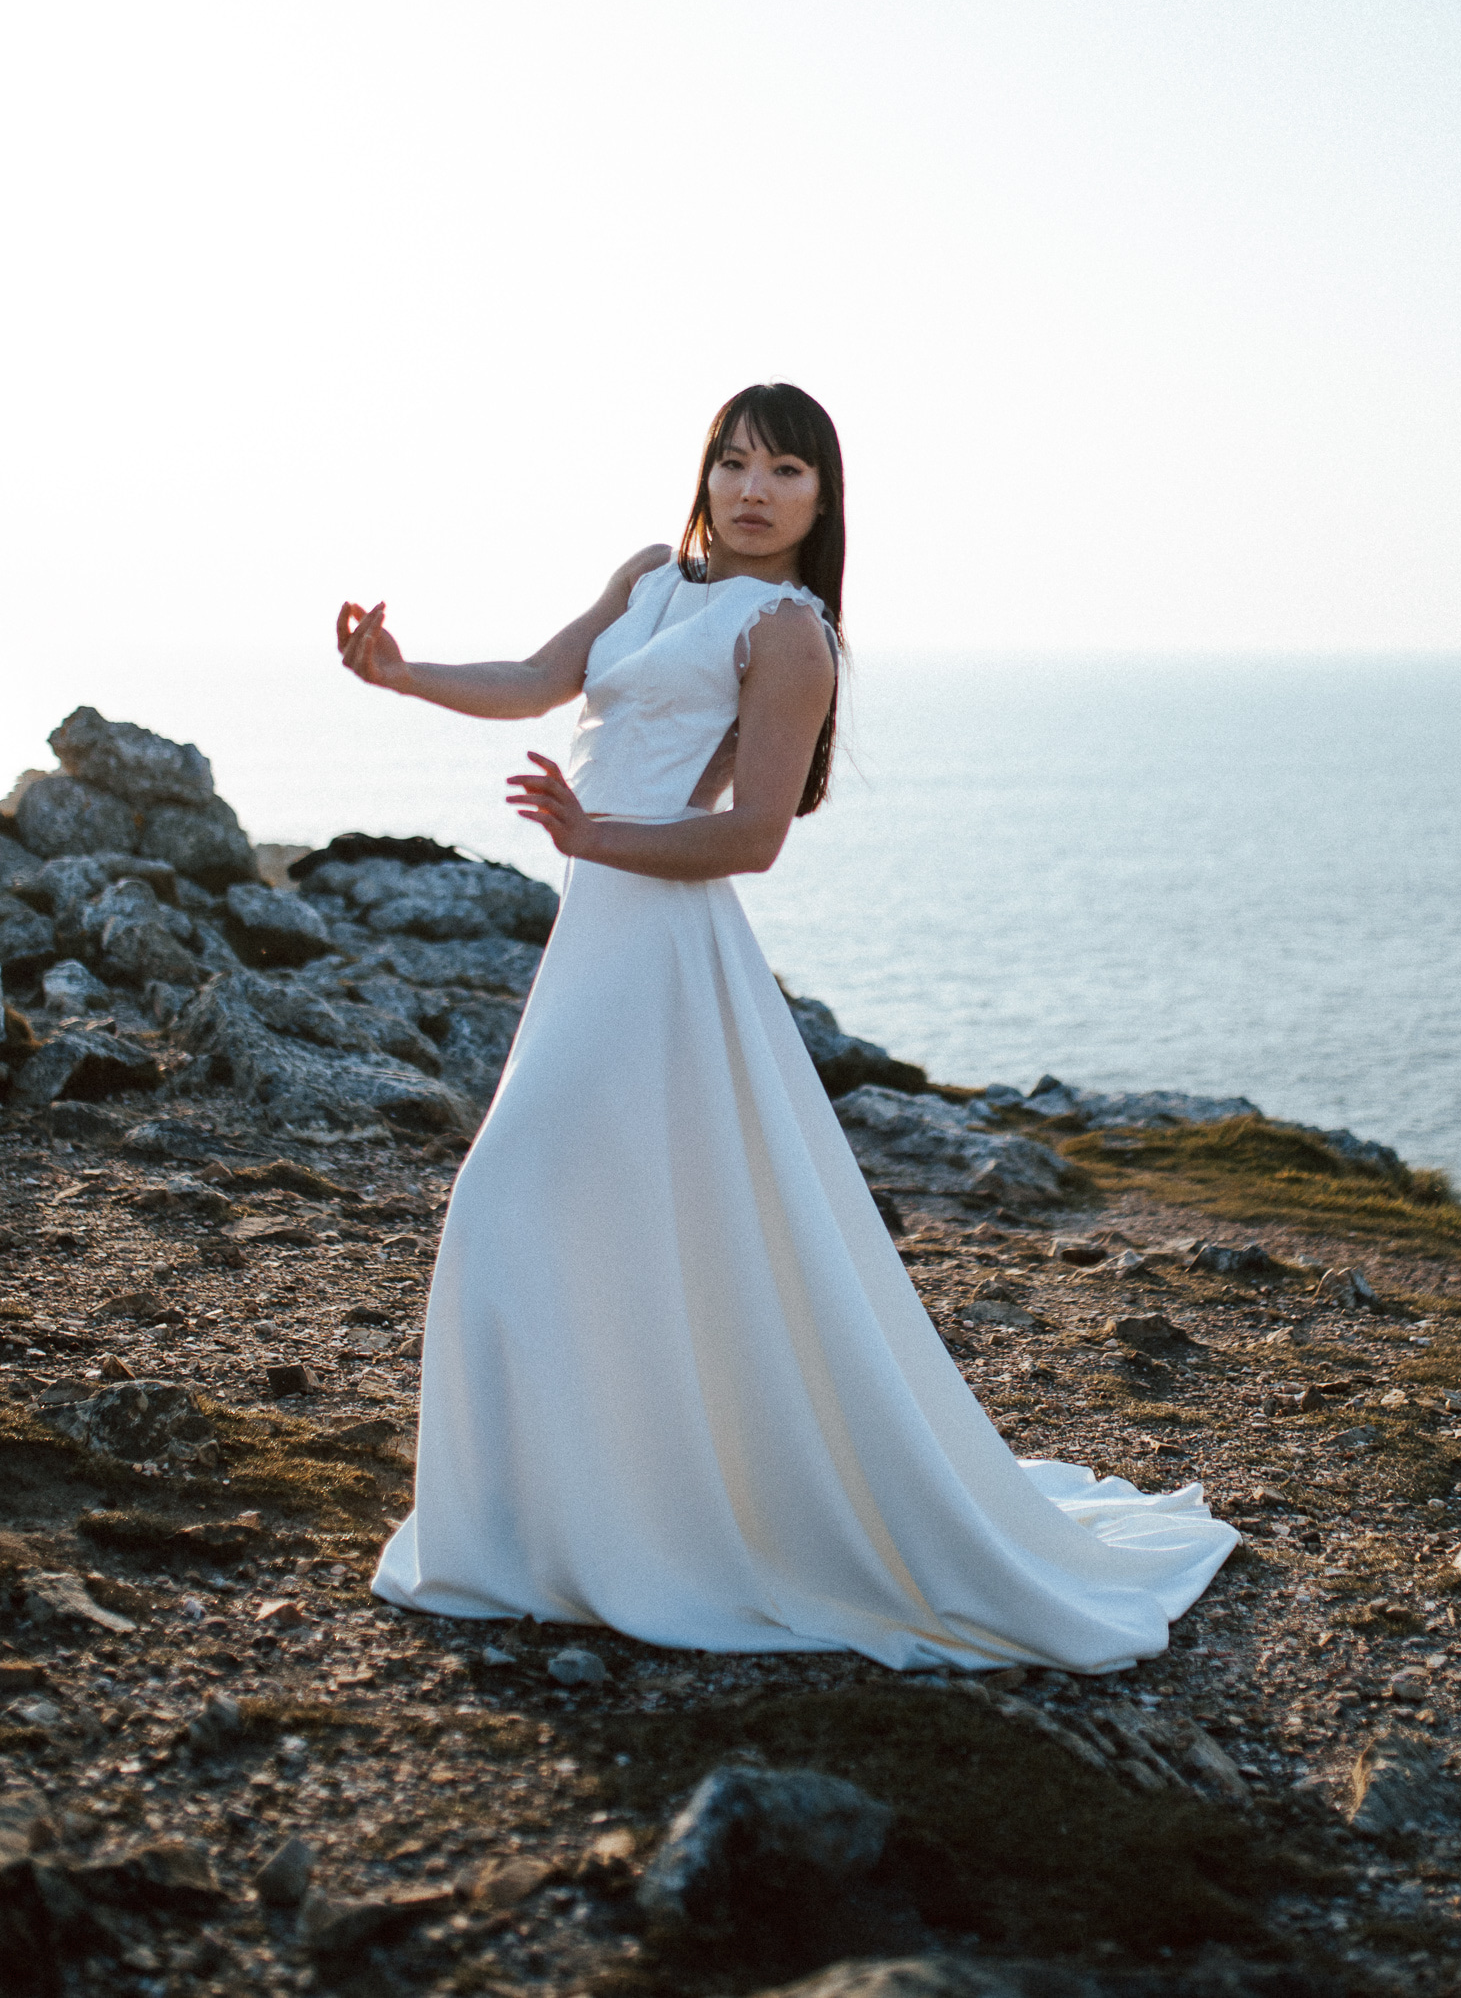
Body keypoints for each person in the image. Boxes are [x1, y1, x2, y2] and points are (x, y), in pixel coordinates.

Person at [336, 381, 1236, 1670]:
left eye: (785, 473)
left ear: (824, 498)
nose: (753, 492)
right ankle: (561, 1528)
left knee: (508, 1201)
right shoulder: (652, 576)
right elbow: (541, 679)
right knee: (603, 1221)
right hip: (597, 929)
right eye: (734, 464)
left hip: (661, 936)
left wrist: (599, 835)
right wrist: (400, 673)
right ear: (703, 476)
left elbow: (753, 836)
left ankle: (614, 1530)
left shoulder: (790, 632)